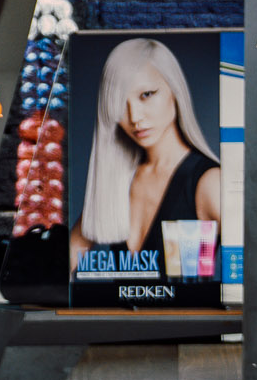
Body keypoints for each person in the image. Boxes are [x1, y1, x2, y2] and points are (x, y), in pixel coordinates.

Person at [70, 39, 222, 277]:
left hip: (187, 315)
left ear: (175, 89)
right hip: (120, 316)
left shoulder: (208, 182)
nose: (135, 116)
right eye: (121, 103)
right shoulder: (118, 180)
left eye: (146, 94)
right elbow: (59, 270)